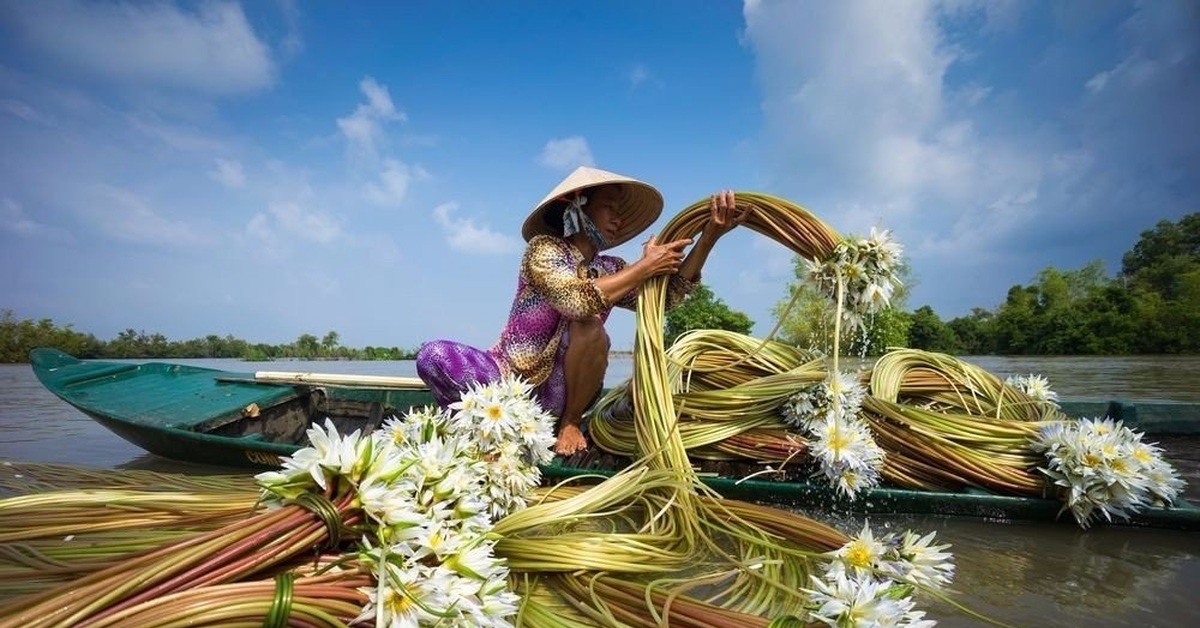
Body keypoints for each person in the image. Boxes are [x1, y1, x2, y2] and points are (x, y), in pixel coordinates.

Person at [417, 166, 745, 456]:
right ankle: (479, 430)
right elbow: (575, 300)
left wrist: (709, 238)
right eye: (609, 208)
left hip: (559, 399)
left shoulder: (610, 268)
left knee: (590, 327)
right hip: (507, 380)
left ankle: (570, 425)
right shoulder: (543, 250)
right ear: (576, 207)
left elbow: (667, 297)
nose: (617, 218)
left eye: (620, 210)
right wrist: (644, 266)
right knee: (433, 355)